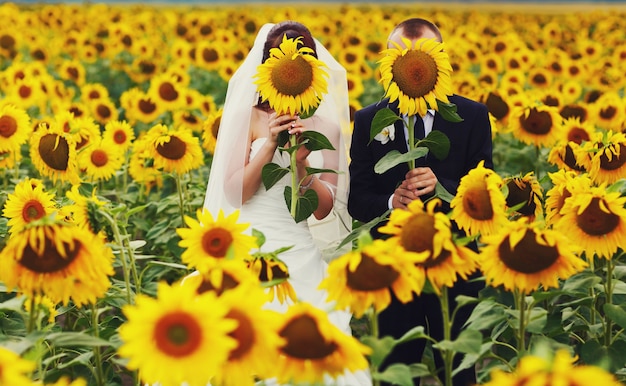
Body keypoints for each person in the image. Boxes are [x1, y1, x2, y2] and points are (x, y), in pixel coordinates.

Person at [204, 21, 371, 386]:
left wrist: (299, 165)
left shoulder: (326, 127)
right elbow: (235, 193)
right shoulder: (248, 118)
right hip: (248, 244)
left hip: (299, 247)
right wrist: (269, 145)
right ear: (267, 68)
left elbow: (324, 207)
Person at [348, 18, 493, 386]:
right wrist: (392, 201)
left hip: (455, 260)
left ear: (440, 61)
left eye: (423, 56)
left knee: (459, 371)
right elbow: (357, 200)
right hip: (394, 270)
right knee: (396, 371)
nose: (412, 65)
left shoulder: (472, 116)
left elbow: (485, 190)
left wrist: (441, 185)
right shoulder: (369, 120)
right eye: (399, 56)